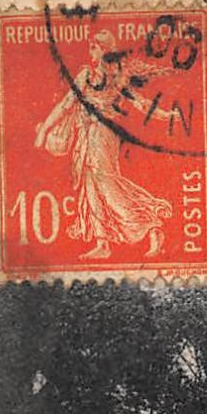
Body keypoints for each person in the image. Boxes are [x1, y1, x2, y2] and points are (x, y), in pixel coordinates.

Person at [34, 31, 174, 260]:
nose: (91, 48)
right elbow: (66, 104)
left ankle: (150, 226)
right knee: (92, 186)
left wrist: (166, 115)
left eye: (95, 45)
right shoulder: (89, 75)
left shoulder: (108, 77)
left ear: (105, 51)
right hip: (89, 134)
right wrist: (43, 130)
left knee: (107, 185)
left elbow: (140, 103)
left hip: (101, 134)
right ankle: (103, 243)